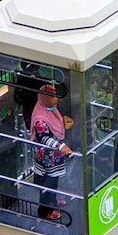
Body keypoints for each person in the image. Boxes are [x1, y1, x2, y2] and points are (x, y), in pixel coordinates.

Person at [30, 85, 73, 221]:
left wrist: (63, 120)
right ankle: (45, 210)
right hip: (47, 158)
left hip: (54, 157)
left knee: (54, 181)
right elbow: (44, 137)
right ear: (45, 98)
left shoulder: (48, 108)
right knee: (47, 184)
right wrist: (61, 146)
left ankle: (53, 201)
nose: (56, 99)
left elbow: (54, 123)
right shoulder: (40, 118)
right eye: (52, 97)